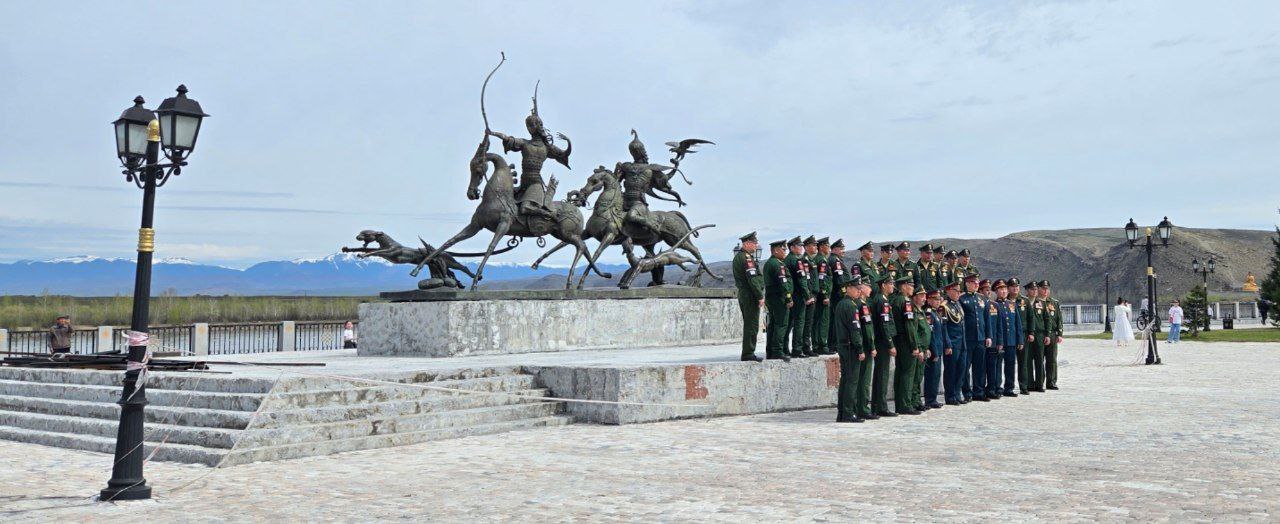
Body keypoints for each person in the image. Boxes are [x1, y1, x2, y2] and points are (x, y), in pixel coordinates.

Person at [832, 277, 868, 423]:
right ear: (848, 288)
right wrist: (860, 349)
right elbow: (855, 330)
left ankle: (842, 412)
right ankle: (848, 412)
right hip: (851, 347)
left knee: (845, 380)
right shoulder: (851, 306)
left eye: (860, 289)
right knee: (852, 381)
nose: (859, 291)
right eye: (857, 289)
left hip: (843, 345)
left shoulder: (841, 304)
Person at [732, 232, 766, 362]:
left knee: (750, 324)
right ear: (747, 243)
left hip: (745, 294)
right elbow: (752, 279)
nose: (756, 246)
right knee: (751, 325)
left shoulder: (740, 257)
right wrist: (759, 295)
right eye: (754, 243)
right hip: (750, 294)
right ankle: (748, 353)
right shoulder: (746, 258)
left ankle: (748, 352)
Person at [869, 274, 899, 417]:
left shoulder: (881, 300)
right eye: (890, 284)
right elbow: (884, 325)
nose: (892, 286)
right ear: (883, 286)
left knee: (881, 374)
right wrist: (890, 344)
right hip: (882, 342)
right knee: (882, 374)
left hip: (881, 341)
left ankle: (877, 405)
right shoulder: (882, 301)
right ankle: (880, 406)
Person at [890, 275, 920, 415]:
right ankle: (905, 404)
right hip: (906, 342)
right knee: (907, 373)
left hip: (899, 340)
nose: (913, 288)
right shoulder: (905, 302)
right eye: (911, 285)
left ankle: (900, 403)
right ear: (903, 286)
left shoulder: (896, 300)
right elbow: (909, 326)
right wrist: (914, 346)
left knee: (900, 373)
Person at [959, 275, 991, 401]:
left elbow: (986, 319)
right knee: (966, 367)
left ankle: (979, 392)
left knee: (980, 367)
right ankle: (967, 393)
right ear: (967, 283)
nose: (976, 284)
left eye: (977, 282)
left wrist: (988, 336)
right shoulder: (962, 298)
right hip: (968, 338)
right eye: (973, 282)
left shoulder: (982, 298)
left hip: (981, 337)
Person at [762, 239, 793, 362]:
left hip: (772, 297)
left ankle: (770, 351)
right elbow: (783, 282)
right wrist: (788, 297)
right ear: (775, 250)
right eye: (783, 249)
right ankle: (777, 351)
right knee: (781, 324)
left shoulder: (771, 262)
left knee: (773, 325)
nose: (785, 251)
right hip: (779, 298)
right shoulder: (777, 264)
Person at [853, 279, 878, 420]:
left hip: (861, 346)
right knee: (864, 380)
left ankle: (859, 407)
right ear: (862, 289)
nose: (870, 289)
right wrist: (872, 347)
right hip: (866, 347)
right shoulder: (862, 306)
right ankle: (863, 408)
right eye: (868, 287)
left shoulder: (857, 304)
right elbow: (867, 329)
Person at [784, 236, 812, 358]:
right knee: (799, 322)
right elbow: (802, 280)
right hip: (799, 296)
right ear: (792, 248)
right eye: (799, 246)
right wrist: (807, 296)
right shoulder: (796, 261)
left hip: (791, 295)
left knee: (789, 323)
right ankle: (797, 349)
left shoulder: (786, 260)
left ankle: (785, 348)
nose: (801, 248)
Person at [940, 282, 967, 405]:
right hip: (952, 343)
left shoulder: (958, 305)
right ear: (949, 291)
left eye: (959, 291)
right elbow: (944, 328)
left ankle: (957, 393)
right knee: (951, 371)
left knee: (961, 370)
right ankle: (950, 396)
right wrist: (948, 344)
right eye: (956, 291)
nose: (958, 293)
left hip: (962, 343)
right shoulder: (944, 307)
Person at [809, 237, 834, 355]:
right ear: (821, 247)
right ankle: (821, 345)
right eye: (827, 246)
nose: (829, 248)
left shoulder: (821, 259)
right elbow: (822, 279)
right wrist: (825, 295)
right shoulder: (821, 260)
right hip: (822, 296)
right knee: (822, 320)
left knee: (818, 320)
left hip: (821, 295)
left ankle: (817, 344)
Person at [1040, 280, 1063, 390]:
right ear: (1039, 289)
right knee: (1040, 359)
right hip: (1040, 334)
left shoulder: (1054, 303)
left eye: (1047, 289)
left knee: (1052, 360)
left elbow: (1059, 319)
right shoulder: (1037, 302)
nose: (1045, 291)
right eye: (1043, 288)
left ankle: (1052, 382)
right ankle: (1040, 382)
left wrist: (1060, 333)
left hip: (1053, 334)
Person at [826, 239, 848, 347]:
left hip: (837, 294)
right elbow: (840, 280)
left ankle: (833, 343)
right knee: (836, 320)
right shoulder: (835, 261)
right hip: (838, 295)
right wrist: (845, 292)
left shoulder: (837, 260)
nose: (844, 250)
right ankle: (833, 344)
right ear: (834, 249)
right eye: (841, 248)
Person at [1026, 282, 1047, 392]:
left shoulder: (1041, 303)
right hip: (1028, 334)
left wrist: (1047, 334)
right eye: (1032, 289)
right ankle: (1029, 384)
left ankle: (1039, 384)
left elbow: (1047, 319)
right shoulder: (1024, 303)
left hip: (1039, 335)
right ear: (1027, 291)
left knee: (1039, 360)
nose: (1034, 291)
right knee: (1028, 360)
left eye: (1035, 289)